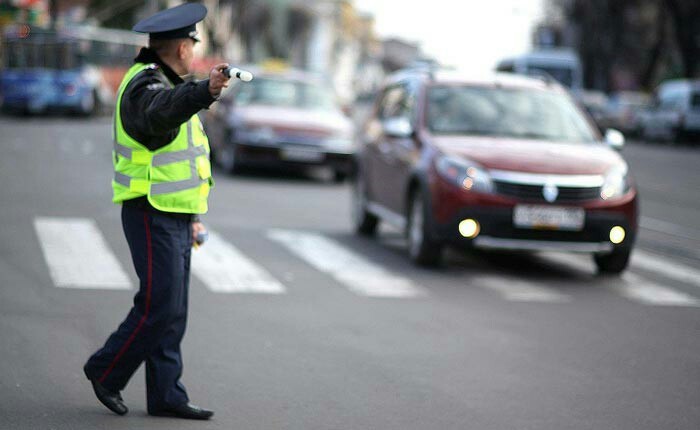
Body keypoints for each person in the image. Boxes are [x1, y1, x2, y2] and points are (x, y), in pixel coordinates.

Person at [82, 3, 230, 420]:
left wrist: (194, 215)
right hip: (150, 210)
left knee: (173, 308)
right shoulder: (143, 86)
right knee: (158, 305)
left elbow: (185, 157)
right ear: (182, 47)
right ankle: (105, 371)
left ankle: (167, 393)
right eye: (191, 43)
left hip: (176, 212)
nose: (192, 51)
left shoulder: (165, 82)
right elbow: (158, 115)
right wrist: (204, 91)